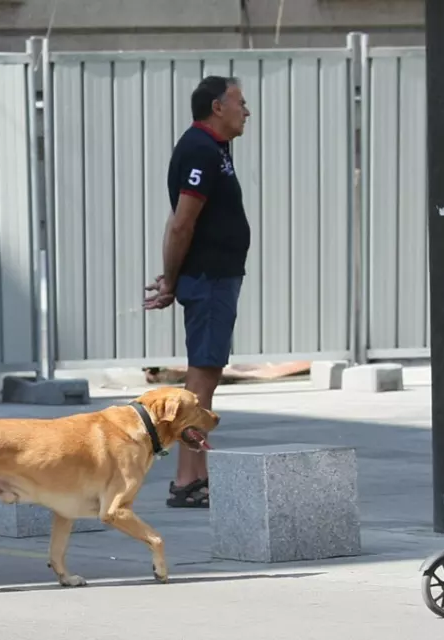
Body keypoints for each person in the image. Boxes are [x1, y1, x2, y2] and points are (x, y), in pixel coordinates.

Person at [143, 75, 251, 508]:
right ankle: (187, 480)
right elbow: (181, 222)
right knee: (202, 377)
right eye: (240, 102)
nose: (247, 110)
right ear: (216, 106)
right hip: (208, 278)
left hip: (217, 276)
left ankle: (197, 475)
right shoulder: (200, 149)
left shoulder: (216, 149)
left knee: (207, 373)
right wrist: (170, 279)